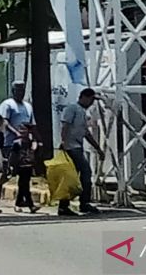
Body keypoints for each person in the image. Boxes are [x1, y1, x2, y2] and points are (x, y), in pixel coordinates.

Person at [57, 87, 103, 217]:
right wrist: (64, 142)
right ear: (84, 97)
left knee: (74, 177)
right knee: (83, 173)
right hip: (71, 147)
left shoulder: (82, 112)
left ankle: (73, 204)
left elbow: (86, 133)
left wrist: (97, 148)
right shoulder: (72, 108)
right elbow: (65, 125)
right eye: (91, 99)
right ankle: (80, 203)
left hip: (77, 146)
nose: (91, 103)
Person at [7, 122, 40, 213]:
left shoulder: (31, 142)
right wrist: (11, 166)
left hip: (28, 166)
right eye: (21, 129)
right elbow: (12, 156)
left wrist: (34, 139)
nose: (22, 131)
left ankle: (18, 204)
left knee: (23, 186)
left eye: (24, 130)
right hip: (20, 166)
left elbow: (35, 149)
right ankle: (31, 205)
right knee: (24, 186)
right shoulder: (17, 143)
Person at [0, 81, 35, 152]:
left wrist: (33, 139)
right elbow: (4, 122)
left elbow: (31, 124)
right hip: (9, 143)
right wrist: (16, 133)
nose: (21, 93)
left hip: (24, 143)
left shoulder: (28, 106)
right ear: (13, 91)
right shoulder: (7, 104)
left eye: (22, 90)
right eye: (18, 90)